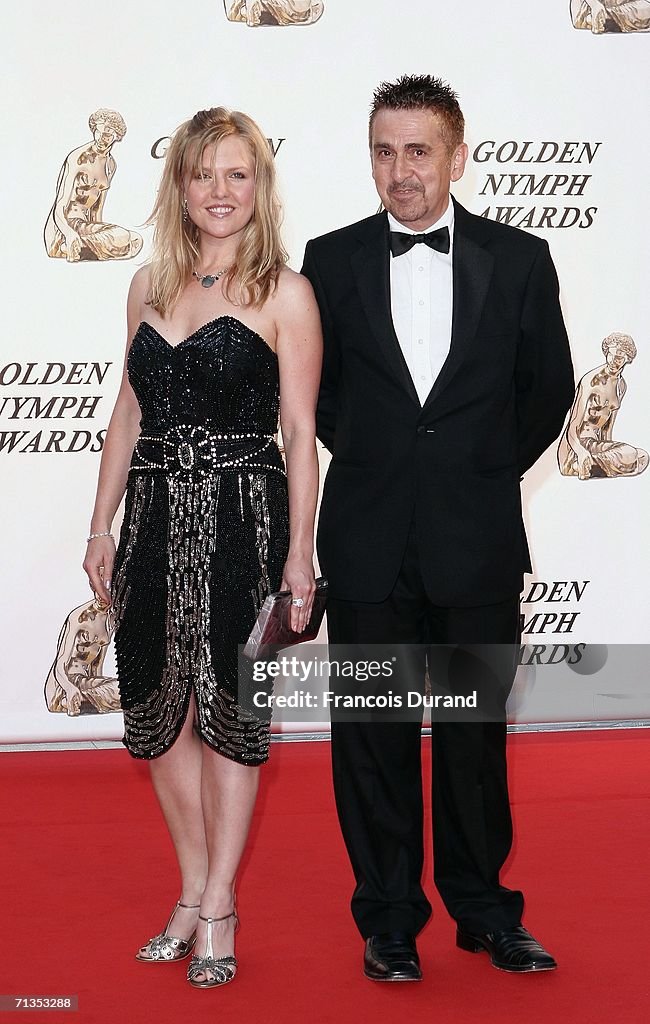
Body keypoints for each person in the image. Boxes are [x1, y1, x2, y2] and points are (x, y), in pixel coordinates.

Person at [301, 74, 574, 981]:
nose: (399, 170)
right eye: (383, 151)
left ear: (458, 156)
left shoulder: (522, 257)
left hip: (476, 539)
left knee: (472, 741)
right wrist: (390, 461)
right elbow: (317, 400)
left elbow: (549, 391)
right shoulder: (328, 261)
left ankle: (486, 911)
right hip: (369, 541)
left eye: (418, 151)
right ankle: (387, 919)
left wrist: (477, 470)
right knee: (372, 743)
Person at [83, 106, 321, 989]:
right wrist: (100, 523)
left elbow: (300, 434)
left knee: (230, 719)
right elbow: (126, 414)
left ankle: (220, 902)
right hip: (149, 516)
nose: (220, 192)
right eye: (203, 174)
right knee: (156, 715)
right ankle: (190, 887)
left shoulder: (286, 294)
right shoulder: (146, 284)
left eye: (238, 174)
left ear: (259, 186)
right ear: (178, 185)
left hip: (243, 520)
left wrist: (299, 552)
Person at [44, 109, 143, 262]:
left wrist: (102, 236)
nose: (102, 139)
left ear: (117, 137)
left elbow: (96, 211)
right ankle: (68, 245)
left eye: (108, 135)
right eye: (99, 132)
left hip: (84, 227)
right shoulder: (77, 158)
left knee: (136, 240)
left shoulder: (110, 165)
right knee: (122, 238)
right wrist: (69, 234)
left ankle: (80, 249)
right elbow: (60, 205)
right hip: (63, 229)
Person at [558, 332, 648, 478]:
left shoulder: (621, 386)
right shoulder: (591, 381)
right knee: (630, 454)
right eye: (610, 355)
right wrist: (581, 453)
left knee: (643, 457)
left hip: (595, 446)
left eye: (619, 357)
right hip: (576, 448)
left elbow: (607, 430)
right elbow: (572, 425)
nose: (613, 361)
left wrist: (611, 453)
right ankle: (578, 464)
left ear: (628, 359)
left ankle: (589, 467)